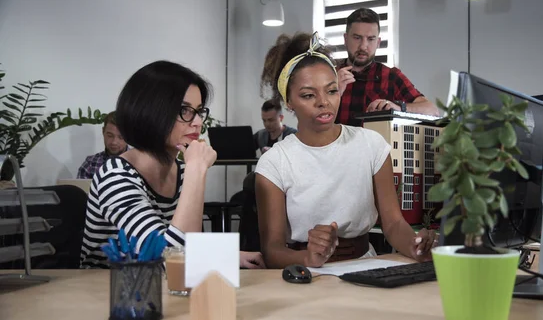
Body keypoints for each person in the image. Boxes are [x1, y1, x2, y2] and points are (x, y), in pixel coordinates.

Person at [255, 32, 438, 269]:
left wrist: (416, 246)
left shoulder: (371, 145)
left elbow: (393, 225)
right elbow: (272, 251)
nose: (324, 102)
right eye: (308, 95)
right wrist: (307, 258)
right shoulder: (274, 163)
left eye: (331, 91)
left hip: (365, 266)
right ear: (288, 101)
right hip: (305, 273)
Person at [80, 60, 265, 269]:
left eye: (199, 111)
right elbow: (173, 263)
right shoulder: (114, 176)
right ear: (151, 112)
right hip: (109, 295)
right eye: (185, 110)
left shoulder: (183, 171)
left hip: (160, 293)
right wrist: (197, 169)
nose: (197, 122)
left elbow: (187, 247)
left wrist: (231, 255)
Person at [336, 8, 439, 127]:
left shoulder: (391, 76)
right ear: (345, 39)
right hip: (334, 145)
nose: (363, 46)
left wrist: (399, 108)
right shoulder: (329, 73)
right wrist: (332, 92)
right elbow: (311, 120)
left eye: (371, 39)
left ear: (378, 42)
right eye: (357, 38)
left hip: (377, 145)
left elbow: (432, 110)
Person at [77, 111, 128, 179]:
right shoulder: (90, 164)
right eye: (110, 136)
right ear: (103, 131)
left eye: (121, 137)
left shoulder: (139, 164)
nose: (114, 142)